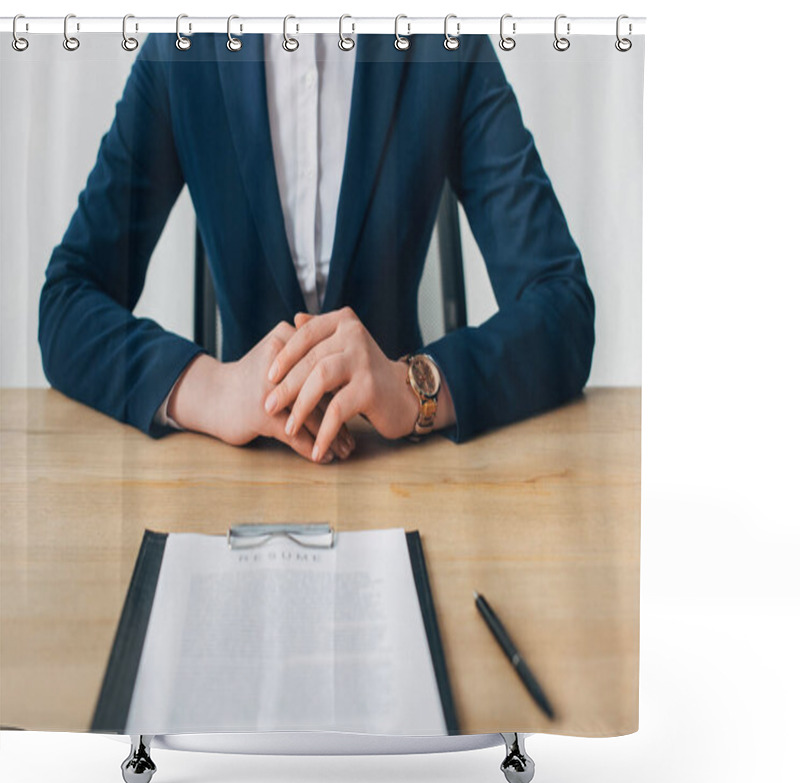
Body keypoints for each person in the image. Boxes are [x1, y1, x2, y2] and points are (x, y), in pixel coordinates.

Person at [39, 33, 595, 464]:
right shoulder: (184, 43)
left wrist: (417, 386)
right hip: (233, 481)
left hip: (400, 471)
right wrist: (215, 388)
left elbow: (563, 307)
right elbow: (66, 302)